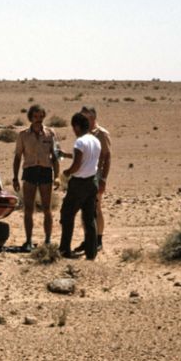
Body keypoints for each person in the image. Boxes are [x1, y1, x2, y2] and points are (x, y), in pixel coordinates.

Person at [12, 104, 60, 249]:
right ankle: (28, 241)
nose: (38, 119)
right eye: (35, 117)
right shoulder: (23, 135)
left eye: (40, 117)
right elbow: (17, 157)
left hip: (45, 171)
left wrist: (57, 176)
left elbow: (56, 156)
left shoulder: (50, 134)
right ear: (30, 118)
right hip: (30, 171)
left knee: (47, 208)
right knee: (28, 208)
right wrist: (15, 177)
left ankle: (47, 240)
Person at [58, 113, 101, 260]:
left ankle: (64, 250)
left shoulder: (79, 142)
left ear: (76, 126)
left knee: (67, 215)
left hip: (79, 184)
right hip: (92, 182)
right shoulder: (95, 141)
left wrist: (66, 172)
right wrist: (68, 155)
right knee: (89, 218)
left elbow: (77, 165)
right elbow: (86, 158)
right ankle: (91, 252)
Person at [74, 105, 112, 253]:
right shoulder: (83, 135)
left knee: (96, 208)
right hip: (83, 175)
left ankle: (98, 240)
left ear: (93, 118)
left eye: (86, 117)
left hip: (96, 175)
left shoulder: (101, 134)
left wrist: (103, 179)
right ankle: (88, 239)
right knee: (85, 210)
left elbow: (107, 157)